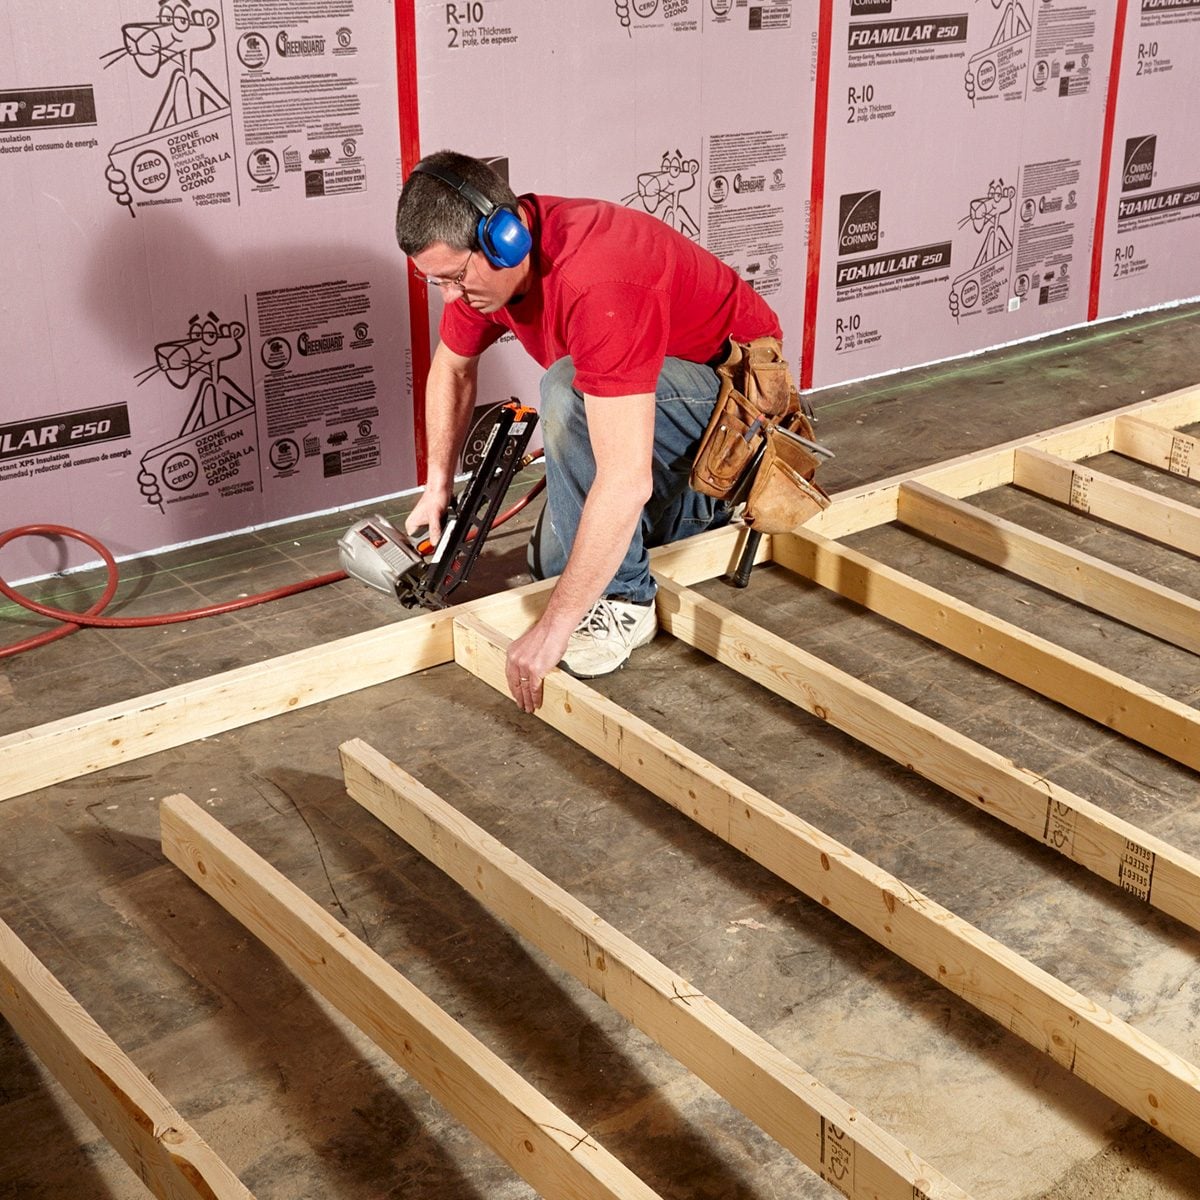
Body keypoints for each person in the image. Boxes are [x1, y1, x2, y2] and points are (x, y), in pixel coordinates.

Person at [395, 150, 784, 713]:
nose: (451, 297)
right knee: (555, 565)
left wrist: (553, 629)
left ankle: (632, 598)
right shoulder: (481, 275)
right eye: (435, 281)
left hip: (736, 410)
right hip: (649, 401)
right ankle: (661, 523)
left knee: (566, 391)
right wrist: (437, 486)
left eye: (455, 278)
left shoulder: (599, 279)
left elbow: (623, 480)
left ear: (506, 239)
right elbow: (452, 369)